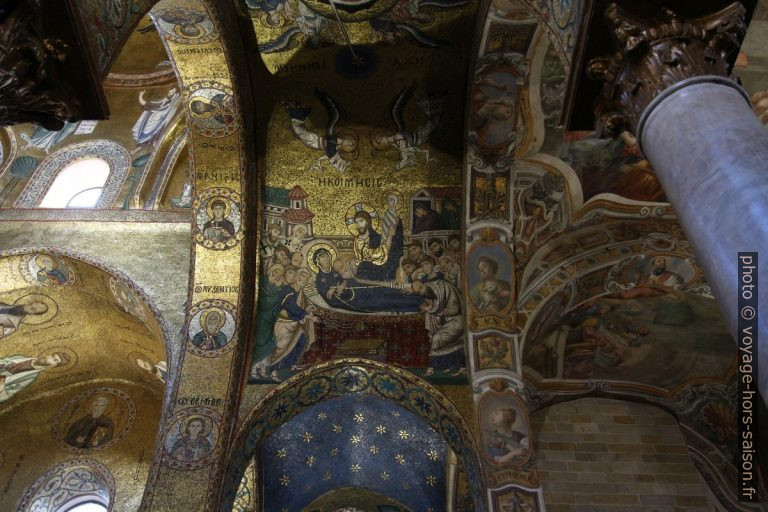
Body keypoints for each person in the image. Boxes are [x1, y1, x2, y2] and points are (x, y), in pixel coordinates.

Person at [313, 248, 422, 313]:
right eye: (322, 257)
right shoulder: (320, 280)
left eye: (327, 256)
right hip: (356, 299)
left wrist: (342, 284)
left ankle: (420, 298)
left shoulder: (334, 270)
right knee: (387, 302)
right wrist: (335, 290)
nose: (326, 259)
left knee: (391, 292)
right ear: (317, 262)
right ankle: (417, 305)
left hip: (362, 288)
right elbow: (331, 300)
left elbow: (346, 279)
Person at [412, 279, 465, 375]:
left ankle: (431, 369)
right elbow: (431, 305)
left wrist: (431, 309)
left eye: (421, 288)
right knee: (437, 338)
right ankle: (449, 365)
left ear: (424, 284)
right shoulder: (428, 293)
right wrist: (426, 307)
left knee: (436, 339)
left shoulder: (443, 287)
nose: (421, 292)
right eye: (418, 292)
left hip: (457, 321)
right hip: (447, 323)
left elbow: (455, 309)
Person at [353, 210, 403, 281]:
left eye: (361, 221)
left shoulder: (376, 238)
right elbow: (376, 255)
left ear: (367, 222)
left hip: (378, 271)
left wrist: (390, 236)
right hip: (365, 271)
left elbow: (380, 256)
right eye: (356, 222)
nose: (359, 225)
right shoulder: (357, 241)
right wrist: (390, 236)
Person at [0, 352, 70, 402]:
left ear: (54, 365)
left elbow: (8, 394)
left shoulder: (30, 377)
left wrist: (2, 388)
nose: (50, 358)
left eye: (55, 360)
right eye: (52, 355)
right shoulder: (19, 357)